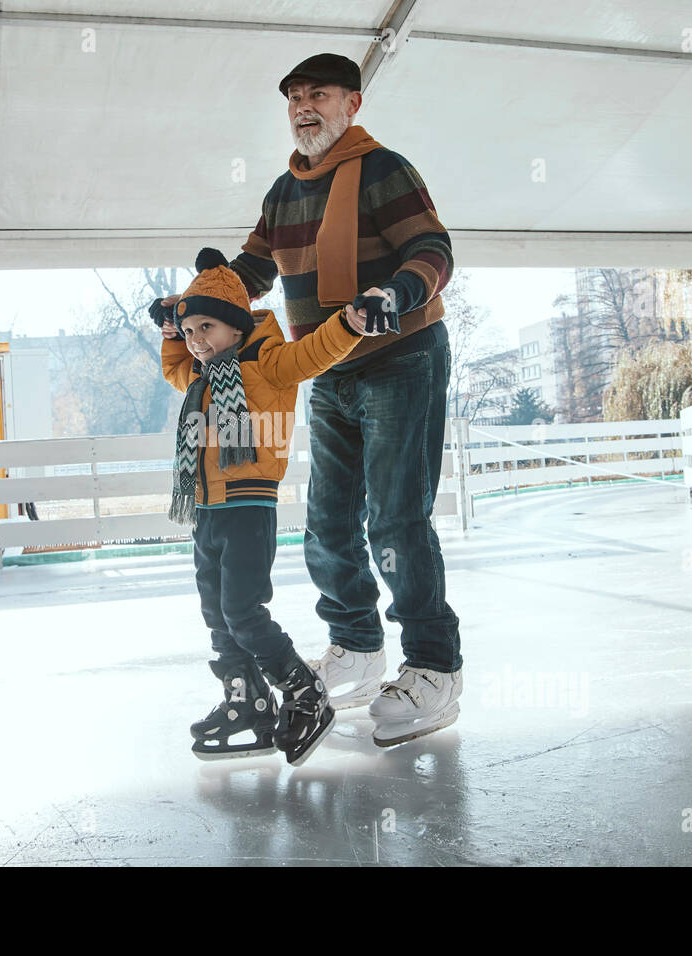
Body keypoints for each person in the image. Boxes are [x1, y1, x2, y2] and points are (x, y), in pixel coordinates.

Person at [157, 53, 463, 748]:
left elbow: (432, 248)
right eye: (294, 97)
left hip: (399, 356)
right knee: (327, 523)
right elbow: (247, 275)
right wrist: (186, 307)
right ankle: (355, 645)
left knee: (394, 520)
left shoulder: (384, 170)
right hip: (329, 368)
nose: (304, 107)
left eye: (318, 95)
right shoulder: (283, 192)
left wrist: (397, 292)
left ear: (352, 103)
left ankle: (435, 665)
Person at [153, 246, 370, 765]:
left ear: (235, 325)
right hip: (207, 511)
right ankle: (245, 700)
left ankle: (302, 690)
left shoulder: (268, 366)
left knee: (243, 611)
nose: (196, 342)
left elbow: (315, 351)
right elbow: (173, 370)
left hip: (249, 508)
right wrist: (170, 334)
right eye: (189, 333)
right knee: (217, 615)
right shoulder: (201, 378)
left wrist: (351, 322)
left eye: (206, 328)